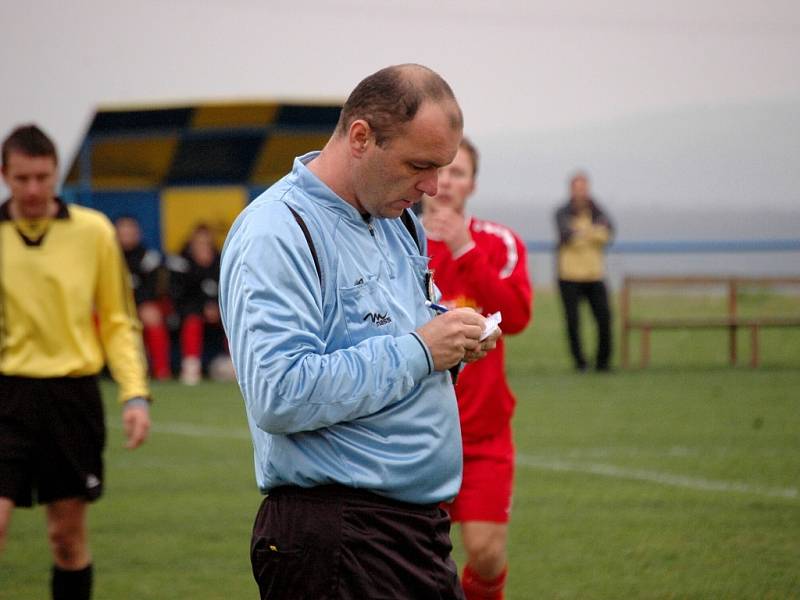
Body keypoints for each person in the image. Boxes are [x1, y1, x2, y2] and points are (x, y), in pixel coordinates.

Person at [219, 64, 500, 600]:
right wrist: (421, 350)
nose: (434, 188)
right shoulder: (278, 231)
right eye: (421, 165)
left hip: (411, 533)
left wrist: (453, 338)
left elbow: (395, 329)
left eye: (442, 168)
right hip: (339, 538)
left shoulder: (396, 218)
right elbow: (280, 394)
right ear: (360, 137)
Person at [0, 124, 151, 600]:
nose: (32, 189)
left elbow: (117, 320)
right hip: (7, 395)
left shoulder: (93, 233)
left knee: (66, 539)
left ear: (55, 175)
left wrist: (135, 393)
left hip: (71, 398)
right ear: (5, 175)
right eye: (21, 178)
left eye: (42, 178)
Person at [421, 138, 533, 600]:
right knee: (419, 560)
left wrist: (465, 248)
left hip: (484, 436)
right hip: (420, 433)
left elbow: (518, 316)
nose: (447, 181)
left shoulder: (496, 242)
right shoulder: (393, 240)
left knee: (485, 555)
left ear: (473, 184)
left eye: (459, 172)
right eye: (441, 170)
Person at [555, 171, 614, 372]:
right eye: (577, 188)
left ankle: (603, 364)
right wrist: (593, 232)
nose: (580, 193)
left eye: (583, 188)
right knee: (573, 322)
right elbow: (566, 234)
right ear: (571, 190)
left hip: (595, 275)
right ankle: (580, 363)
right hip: (569, 276)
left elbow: (609, 233)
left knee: (604, 319)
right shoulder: (562, 212)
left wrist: (582, 233)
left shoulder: (598, 210)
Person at [115, 215, 172, 380]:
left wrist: (136, 305)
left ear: (137, 233)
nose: (126, 236)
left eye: (130, 232)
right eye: (122, 232)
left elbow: (153, 289)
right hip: (113, 305)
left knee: (151, 315)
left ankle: (161, 369)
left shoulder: (148, 256)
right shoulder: (108, 255)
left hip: (142, 304)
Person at [167, 224, 224, 385]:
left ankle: (237, 364)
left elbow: (230, 290)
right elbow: (179, 294)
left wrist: (217, 308)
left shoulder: (222, 260)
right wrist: (203, 308)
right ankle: (191, 367)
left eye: (206, 242)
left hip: (219, 311)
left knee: (235, 320)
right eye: (198, 242)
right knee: (192, 321)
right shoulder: (181, 261)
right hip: (191, 311)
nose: (203, 246)